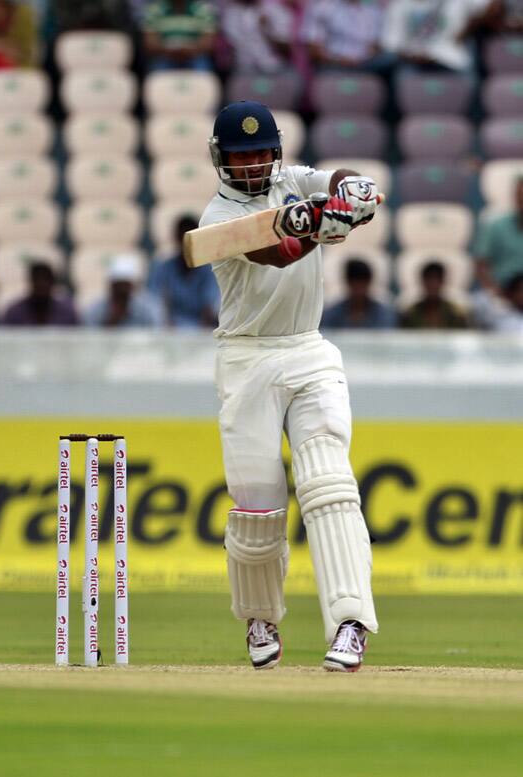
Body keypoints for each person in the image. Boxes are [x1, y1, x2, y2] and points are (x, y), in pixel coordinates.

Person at [199, 100, 380, 672]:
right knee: (257, 502)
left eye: (260, 153)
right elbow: (275, 253)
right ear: (222, 161)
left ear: (274, 152)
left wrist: (355, 194)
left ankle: (350, 623)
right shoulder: (216, 219)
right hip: (246, 357)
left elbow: (338, 183)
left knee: (329, 481)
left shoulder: (293, 179)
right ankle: (260, 619)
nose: (252, 166)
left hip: (307, 347)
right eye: (240, 156)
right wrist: (326, 224)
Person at [381, 0, 497, 72]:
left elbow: (493, 5)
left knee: (468, 76)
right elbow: (392, 45)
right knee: (402, 73)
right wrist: (411, 56)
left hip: (451, 57)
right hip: (412, 60)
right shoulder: (399, 5)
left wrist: (468, 28)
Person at [148, 215, 220, 328]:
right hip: (168, 331)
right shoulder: (163, 268)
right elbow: (155, 302)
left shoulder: (209, 270)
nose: (186, 244)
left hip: (201, 332)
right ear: (176, 238)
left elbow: (210, 306)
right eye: (182, 238)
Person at [302, 0, 391, 73]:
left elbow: (376, 44)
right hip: (332, 63)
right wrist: (339, 60)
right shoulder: (322, 7)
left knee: (390, 59)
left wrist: (361, 59)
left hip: (365, 63)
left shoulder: (373, 9)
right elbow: (314, 48)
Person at [83, 253, 166, 328]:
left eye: (125, 286)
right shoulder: (96, 310)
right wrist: (112, 320)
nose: (121, 290)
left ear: (133, 286)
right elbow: (89, 338)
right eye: (118, 286)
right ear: (111, 286)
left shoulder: (148, 309)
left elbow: (156, 336)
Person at [473, 177, 523, 293]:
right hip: (502, 292)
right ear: (514, 197)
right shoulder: (496, 226)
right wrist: (494, 290)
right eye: (520, 195)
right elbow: (480, 264)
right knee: (481, 301)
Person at [141, 0, 217, 71]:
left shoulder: (203, 9)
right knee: (157, 66)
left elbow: (208, 44)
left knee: (203, 65)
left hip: (195, 56)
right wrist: (171, 51)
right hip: (164, 56)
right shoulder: (155, 9)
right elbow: (150, 44)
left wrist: (188, 51)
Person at [321, 258, 397, 329]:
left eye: (362, 284)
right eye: (355, 284)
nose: (359, 290)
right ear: (348, 283)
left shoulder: (383, 314)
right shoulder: (332, 314)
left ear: (369, 283)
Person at [0, 260, 79, 326]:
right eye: (37, 280)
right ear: (31, 282)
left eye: (45, 280)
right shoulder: (14, 313)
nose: (41, 285)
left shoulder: (67, 313)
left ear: (53, 283)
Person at [399, 261, 470, 329]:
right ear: (422, 281)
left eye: (437, 279)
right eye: (429, 279)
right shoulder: (410, 314)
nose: (433, 284)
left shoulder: (456, 314)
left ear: (443, 282)